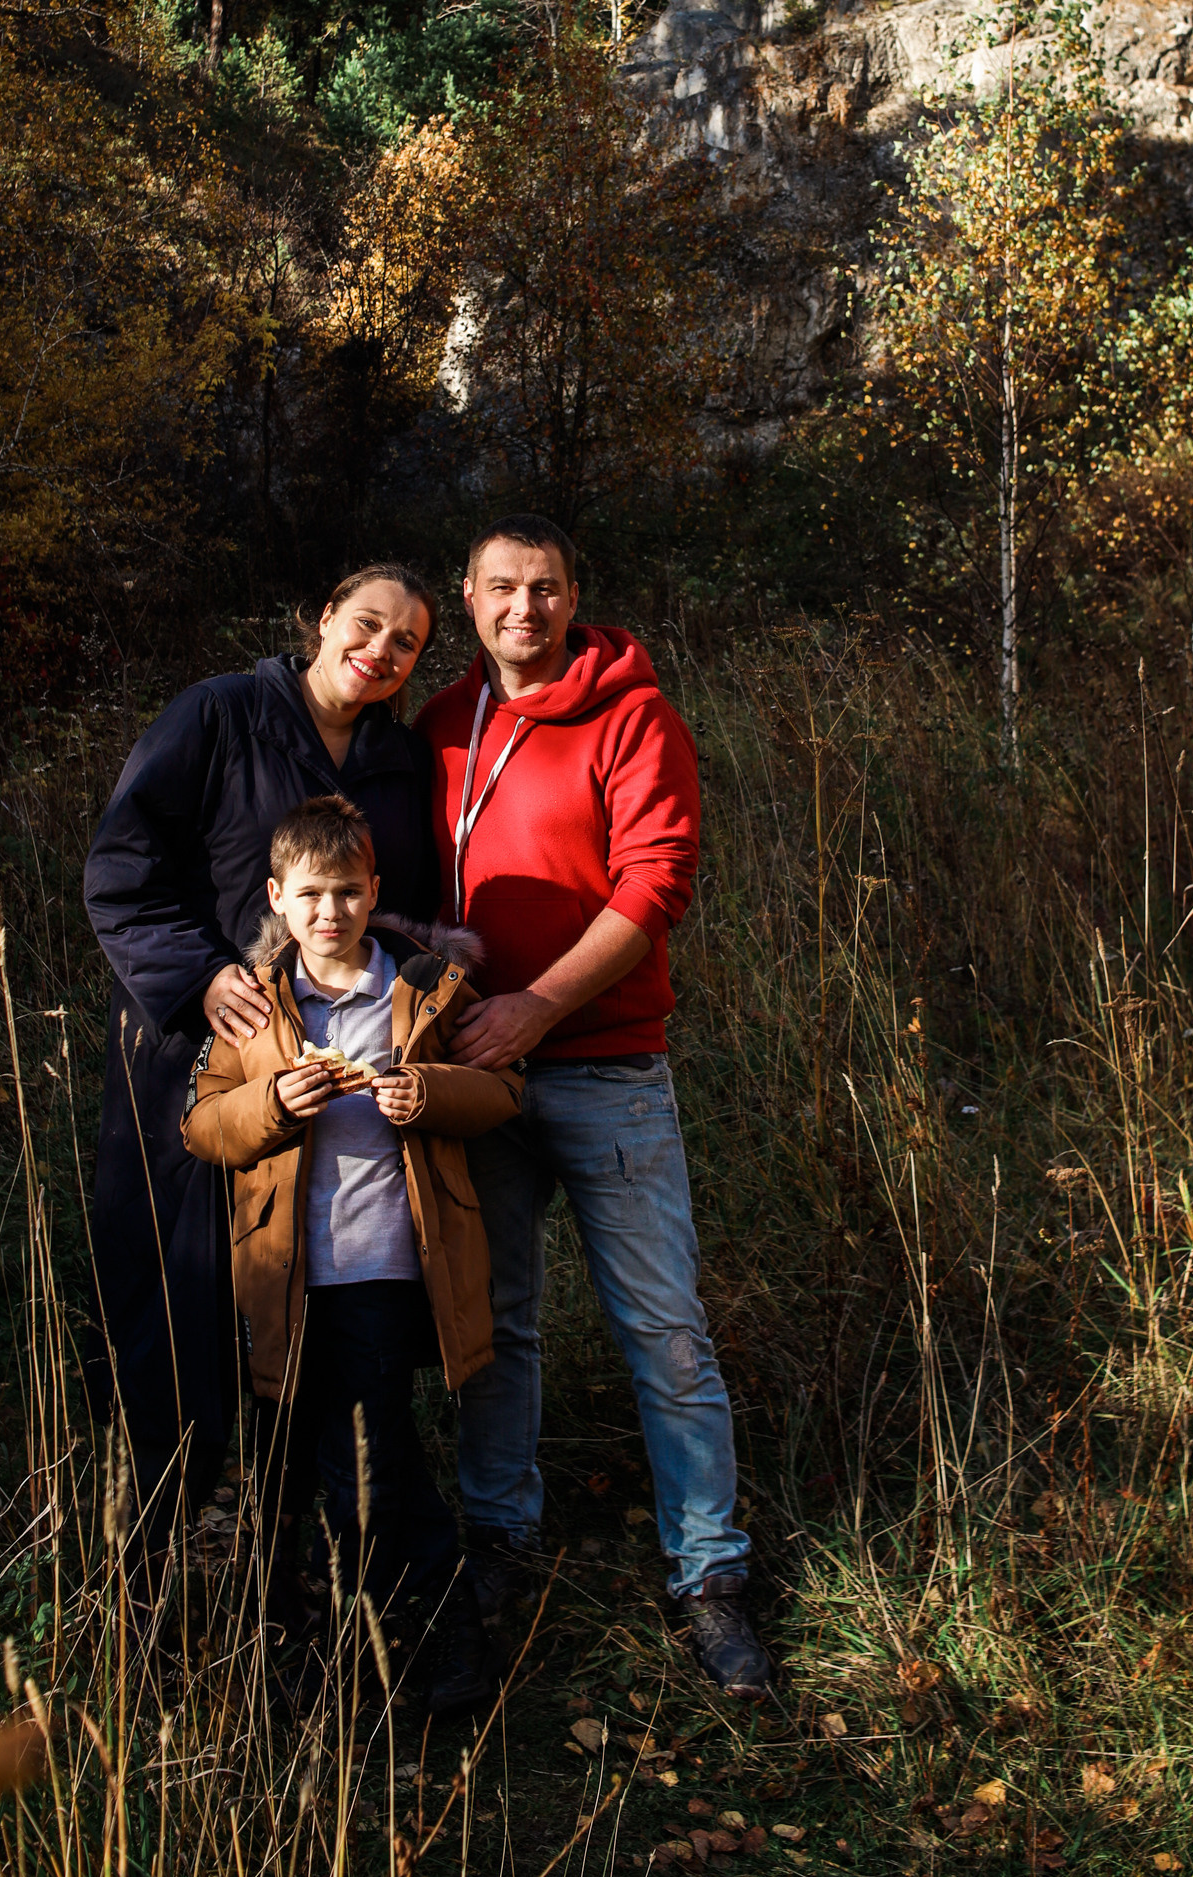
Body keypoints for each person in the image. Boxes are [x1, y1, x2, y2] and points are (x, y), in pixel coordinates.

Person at [418, 513, 771, 1696]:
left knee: (662, 1329)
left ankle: (708, 1572)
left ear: (574, 599)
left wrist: (538, 1008)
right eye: (502, 587)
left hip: (605, 1069)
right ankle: (497, 1539)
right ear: (467, 596)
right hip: (478, 1078)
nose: (523, 607)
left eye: (546, 588)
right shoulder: (440, 726)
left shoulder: (633, 717)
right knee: (495, 1323)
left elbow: (656, 882)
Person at [83, 565, 439, 1546]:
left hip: (338, 1074)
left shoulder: (398, 759)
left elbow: (408, 908)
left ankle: (297, 1535)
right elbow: (120, 870)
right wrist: (199, 976)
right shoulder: (220, 715)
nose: (380, 650)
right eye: (366, 624)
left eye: (405, 642)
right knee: (183, 1295)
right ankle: (163, 1533)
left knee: (312, 1299)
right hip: (199, 1051)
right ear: (323, 618)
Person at [181, 791, 517, 1713]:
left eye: (347, 892)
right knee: (328, 1456)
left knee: (362, 1460)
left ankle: (392, 1650)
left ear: (374, 890)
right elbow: (203, 1125)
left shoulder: (422, 988)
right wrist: (274, 1104)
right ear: (277, 899)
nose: (329, 911)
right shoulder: (255, 1007)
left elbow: (504, 1091)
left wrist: (428, 1093)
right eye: (310, 894)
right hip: (286, 1275)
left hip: (384, 1269)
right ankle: (378, 1642)